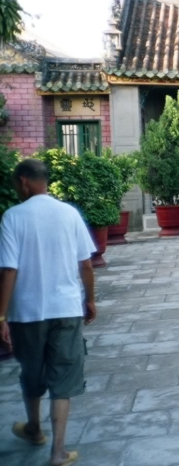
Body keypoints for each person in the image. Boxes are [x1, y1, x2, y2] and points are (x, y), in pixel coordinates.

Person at [0, 159, 96, 466]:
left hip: (26, 313)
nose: (17, 189)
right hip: (66, 308)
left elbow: (9, 269)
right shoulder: (69, 214)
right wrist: (91, 300)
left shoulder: (12, 217)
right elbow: (86, 264)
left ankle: (34, 428)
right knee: (63, 379)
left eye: (17, 184)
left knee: (32, 372)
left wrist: (1, 316)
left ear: (25, 182)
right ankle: (58, 452)